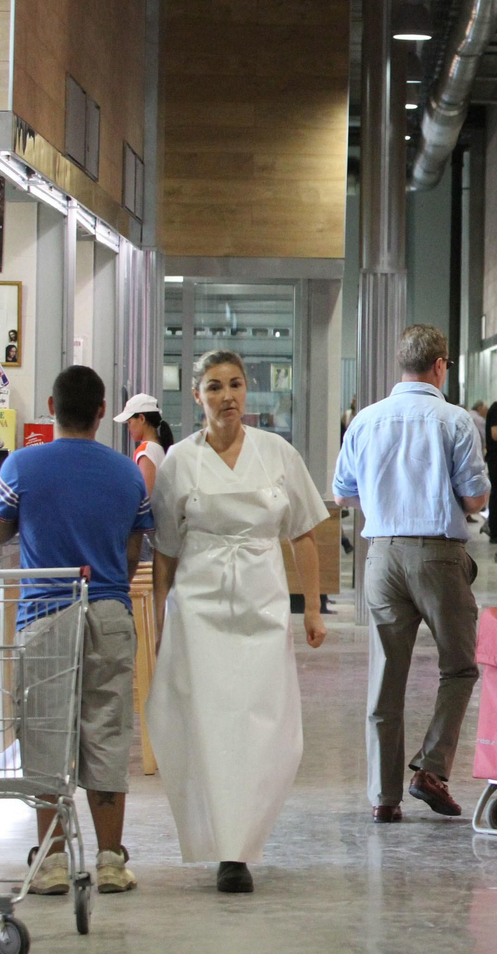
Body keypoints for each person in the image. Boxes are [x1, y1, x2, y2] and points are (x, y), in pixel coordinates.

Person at [148, 350, 330, 893]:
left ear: (247, 392)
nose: (226, 396)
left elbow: (302, 533)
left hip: (263, 605)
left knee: (264, 727)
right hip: (199, 610)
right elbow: (165, 552)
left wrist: (313, 609)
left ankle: (246, 837)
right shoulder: (179, 461)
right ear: (197, 396)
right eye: (214, 387)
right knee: (205, 724)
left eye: (235, 385)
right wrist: (159, 621)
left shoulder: (277, 453)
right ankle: (228, 851)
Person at [0, 365, 154, 896]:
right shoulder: (128, 473)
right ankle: (108, 859)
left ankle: (53, 861)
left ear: (52, 409)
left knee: (46, 733)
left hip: (44, 613)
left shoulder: (21, 464)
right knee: (106, 728)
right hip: (107, 610)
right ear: (103, 412)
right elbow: (133, 550)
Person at [334, 325, 490, 824]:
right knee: (460, 666)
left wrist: (382, 508)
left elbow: (342, 492)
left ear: (401, 364)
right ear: (441, 365)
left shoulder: (365, 420)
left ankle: (384, 797)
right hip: (438, 555)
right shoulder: (455, 420)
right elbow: (476, 498)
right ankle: (431, 767)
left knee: (387, 677)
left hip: (381, 556)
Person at [116, 392, 175, 498]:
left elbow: (145, 497)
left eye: (129, 422)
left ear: (142, 418)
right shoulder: (160, 447)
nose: (128, 428)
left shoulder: (145, 450)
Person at [484, 397, 497, 541]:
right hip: (496, 458)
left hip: (494, 458)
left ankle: (494, 527)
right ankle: (495, 530)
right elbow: (496, 435)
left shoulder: (494, 408)